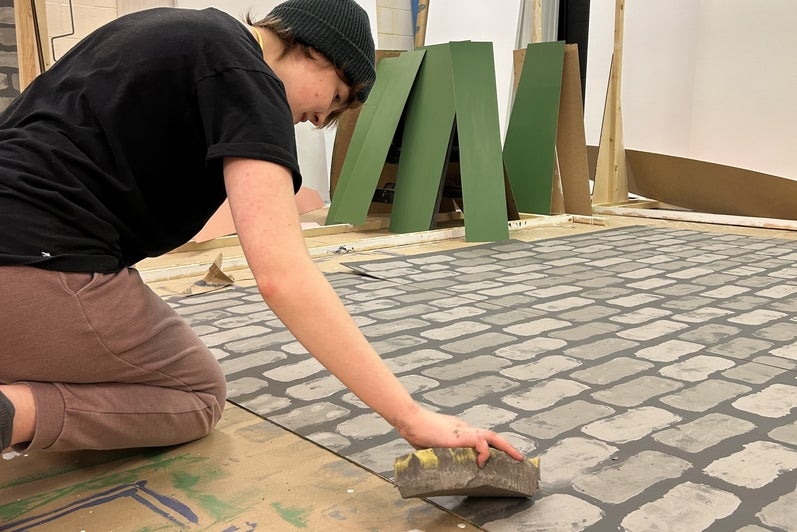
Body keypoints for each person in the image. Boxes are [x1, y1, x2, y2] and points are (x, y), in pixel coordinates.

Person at [0, 0, 522, 468]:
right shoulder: (249, 79)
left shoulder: (165, 30)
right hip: (36, 258)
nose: (321, 119)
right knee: (195, 394)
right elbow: (282, 276)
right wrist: (409, 417)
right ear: (314, 51)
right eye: (337, 97)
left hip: (26, 246)